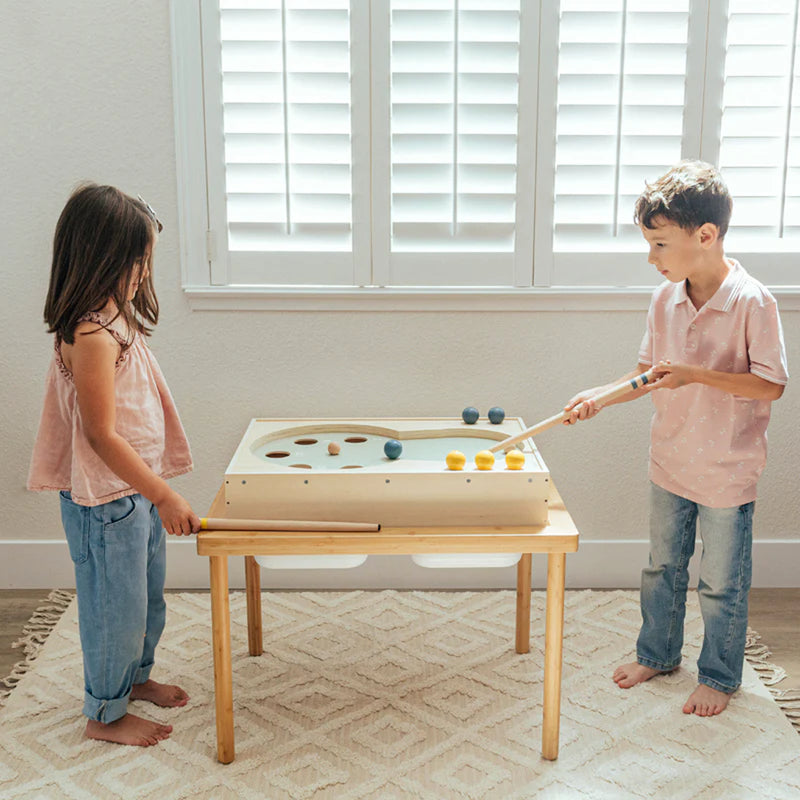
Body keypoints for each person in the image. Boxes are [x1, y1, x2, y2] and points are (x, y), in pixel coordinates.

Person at [564, 160, 788, 717]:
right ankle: (658, 654)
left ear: (705, 235)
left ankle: (719, 676)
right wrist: (599, 396)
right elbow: (648, 374)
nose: (652, 258)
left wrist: (696, 375)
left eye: (660, 244)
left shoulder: (753, 301)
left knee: (720, 583)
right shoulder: (664, 299)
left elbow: (771, 385)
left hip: (727, 470)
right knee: (662, 568)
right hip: (669, 459)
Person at [27, 184, 202, 746]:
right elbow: (100, 434)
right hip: (106, 503)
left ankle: (134, 679)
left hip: (133, 494)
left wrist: (152, 492)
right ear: (101, 258)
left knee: (146, 603)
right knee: (113, 612)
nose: (143, 272)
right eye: (136, 261)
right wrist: (165, 495)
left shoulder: (116, 318)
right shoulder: (90, 334)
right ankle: (104, 714)